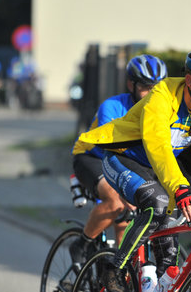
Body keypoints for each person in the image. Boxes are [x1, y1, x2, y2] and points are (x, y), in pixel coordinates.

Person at [73, 47, 191, 292]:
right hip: (124, 158)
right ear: (189, 80)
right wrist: (179, 187)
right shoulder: (162, 96)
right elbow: (158, 146)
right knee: (158, 202)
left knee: (169, 263)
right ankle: (114, 269)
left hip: (158, 168)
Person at [69, 54, 168, 263]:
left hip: (131, 163)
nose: (152, 94)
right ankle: (82, 244)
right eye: (146, 87)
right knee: (117, 203)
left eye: (157, 88)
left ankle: (122, 278)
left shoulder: (163, 111)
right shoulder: (112, 107)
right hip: (93, 157)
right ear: (131, 84)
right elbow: (110, 149)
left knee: (131, 227)